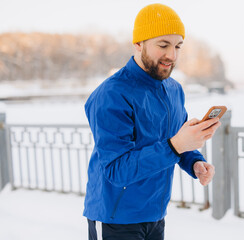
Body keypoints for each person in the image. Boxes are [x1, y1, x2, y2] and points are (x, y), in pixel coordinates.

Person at [83, 3, 221, 240]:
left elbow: (176, 139)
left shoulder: (174, 89)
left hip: (155, 213)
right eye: (163, 45)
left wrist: (195, 162)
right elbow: (116, 170)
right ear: (138, 43)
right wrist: (176, 145)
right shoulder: (111, 95)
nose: (172, 55)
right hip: (116, 218)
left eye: (178, 46)